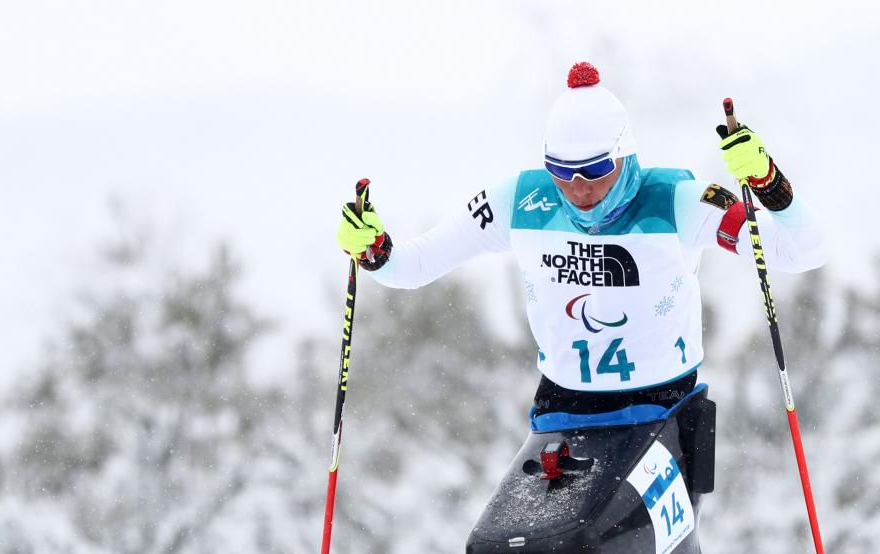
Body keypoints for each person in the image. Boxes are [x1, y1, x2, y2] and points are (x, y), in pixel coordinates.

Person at [336, 62, 826, 417]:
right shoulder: (521, 202)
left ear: (625, 155)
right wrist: (375, 250)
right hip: (563, 405)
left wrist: (766, 180)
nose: (580, 187)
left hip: (664, 406)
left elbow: (803, 251)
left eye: (596, 169)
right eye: (562, 172)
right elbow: (414, 266)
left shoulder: (679, 200)